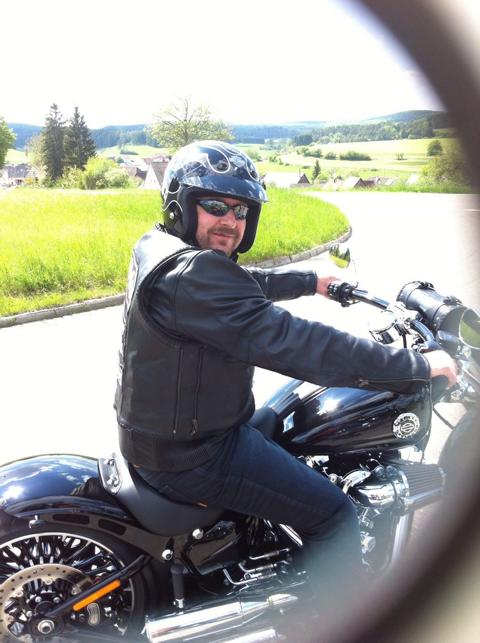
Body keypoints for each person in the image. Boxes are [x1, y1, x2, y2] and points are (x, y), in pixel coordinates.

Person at [114, 141, 456, 596]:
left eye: (241, 211)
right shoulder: (194, 275)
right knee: (335, 515)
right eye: (215, 206)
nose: (230, 220)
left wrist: (311, 282)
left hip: (166, 437)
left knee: (284, 416)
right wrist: (415, 366)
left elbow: (238, 285)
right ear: (181, 205)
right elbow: (302, 345)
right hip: (193, 455)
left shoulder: (160, 249)